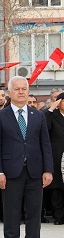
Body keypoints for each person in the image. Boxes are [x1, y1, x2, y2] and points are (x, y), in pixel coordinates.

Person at [0, 76, 53, 238]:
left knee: (34, 213)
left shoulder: (38, 115)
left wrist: (48, 170)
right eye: (16, 89)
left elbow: (45, 144)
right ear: (9, 93)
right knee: (11, 213)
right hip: (10, 173)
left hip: (35, 171)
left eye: (24, 89)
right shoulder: (0, 116)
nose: (20, 92)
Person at [45, 93, 64, 225]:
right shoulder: (52, 115)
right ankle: (58, 216)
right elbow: (44, 128)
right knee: (57, 189)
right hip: (57, 154)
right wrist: (51, 109)